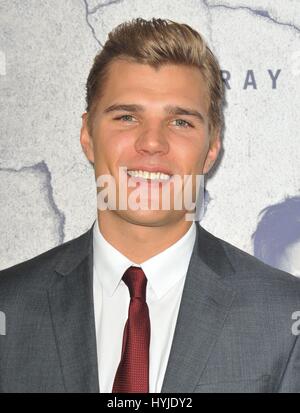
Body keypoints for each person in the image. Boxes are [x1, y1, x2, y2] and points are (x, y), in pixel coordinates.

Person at [0, 18, 300, 393]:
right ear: (87, 135)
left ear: (212, 148)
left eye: (180, 122)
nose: (152, 143)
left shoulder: (285, 317)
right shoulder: (8, 306)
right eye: (127, 117)